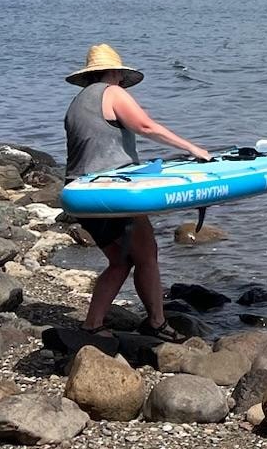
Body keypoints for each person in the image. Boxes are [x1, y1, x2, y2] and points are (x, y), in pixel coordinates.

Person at [62, 43, 211, 340]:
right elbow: (144, 125)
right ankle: (156, 322)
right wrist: (192, 148)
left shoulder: (77, 103)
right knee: (146, 254)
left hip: (80, 192)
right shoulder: (113, 92)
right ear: (116, 72)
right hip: (112, 192)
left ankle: (93, 324)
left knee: (121, 260)